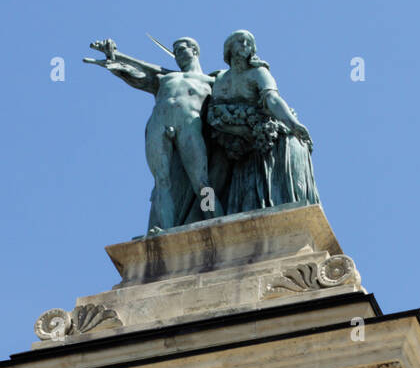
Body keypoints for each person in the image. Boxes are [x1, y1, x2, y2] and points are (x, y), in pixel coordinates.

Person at [84, 36, 222, 233]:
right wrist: (113, 56)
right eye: (174, 52)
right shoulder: (164, 78)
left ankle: (218, 221)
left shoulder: (212, 81)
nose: (177, 56)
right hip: (159, 123)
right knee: (162, 183)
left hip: (189, 125)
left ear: (195, 51)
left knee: (201, 183)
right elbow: (137, 75)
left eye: (181, 50)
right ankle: (165, 231)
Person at [207, 29, 318, 216]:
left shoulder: (258, 72)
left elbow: (272, 99)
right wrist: (241, 132)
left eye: (248, 43)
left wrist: (293, 124)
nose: (244, 45)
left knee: (279, 194)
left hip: (272, 140)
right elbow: (215, 116)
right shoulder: (221, 80)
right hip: (243, 148)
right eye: (240, 41)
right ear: (228, 49)